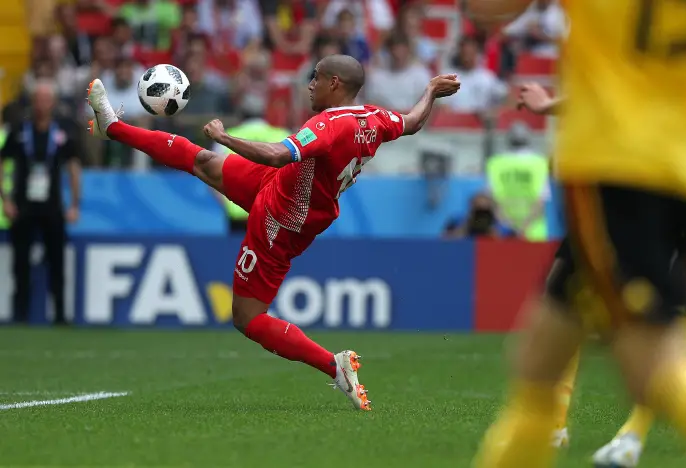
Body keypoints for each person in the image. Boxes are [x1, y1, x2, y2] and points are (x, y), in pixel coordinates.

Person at [85, 54, 460, 410]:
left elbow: (279, 153)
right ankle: (114, 127)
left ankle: (334, 364)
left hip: (283, 217)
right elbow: (412, 122)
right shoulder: (374, 117)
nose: (309, 85)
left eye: (315, 77)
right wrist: (430, 91)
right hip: (282, 184)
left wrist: (225, 136)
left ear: (335, 83)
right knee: (200, 161)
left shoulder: (330, 125)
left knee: (247, 317)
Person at [469, 0, 686, 466]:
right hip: (682, 164)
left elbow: (486, 8)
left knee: (650, 365)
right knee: (538, 363)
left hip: (616, 167)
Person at [519, 82, 686, 466]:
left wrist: (551, 105)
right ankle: (602, 433)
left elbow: (619, 90)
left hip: (640, 183)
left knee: (648, 345)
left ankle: (620, 437)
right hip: (655, 179)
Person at [0, 80, 81, 325]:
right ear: (32, 102)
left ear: (53, 103)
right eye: (38, 99)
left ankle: (59, 314)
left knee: (57, 261)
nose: (42, 105)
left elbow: (74, 168)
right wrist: (5, 199)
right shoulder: (19, 130)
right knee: (20, 263)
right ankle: (21, 314)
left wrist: (75, 203)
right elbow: (2, 164)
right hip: (23, 204)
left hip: (52, 205)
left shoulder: (63, 131)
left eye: (46, 100)